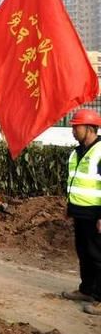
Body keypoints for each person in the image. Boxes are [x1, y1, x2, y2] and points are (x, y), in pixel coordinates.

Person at [61, 109, 101, 316]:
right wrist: (70, 208)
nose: (73, 131)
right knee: (84, 253)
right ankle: (87, 290)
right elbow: (74, 182)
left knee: (98, 256)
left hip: (96, 214)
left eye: (76, 127)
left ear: (90, 128)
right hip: (80, 212)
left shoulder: (100, 150)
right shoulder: (77, 152)